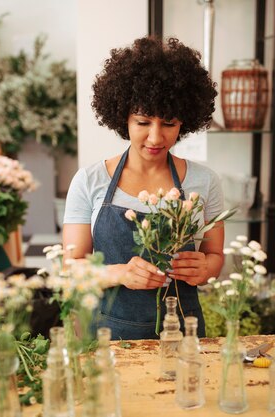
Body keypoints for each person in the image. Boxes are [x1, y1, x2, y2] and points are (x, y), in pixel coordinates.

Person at [62, 36, 224, 340]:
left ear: (184, 122)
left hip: (184, 335)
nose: (155, 137)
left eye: (168, 123)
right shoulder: (90, 181)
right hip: (110, 337)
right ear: (122, 117)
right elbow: (71, 268)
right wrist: (119, 273)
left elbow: (215, 255)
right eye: (143, 122)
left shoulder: (205, 181)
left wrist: (205, 268)